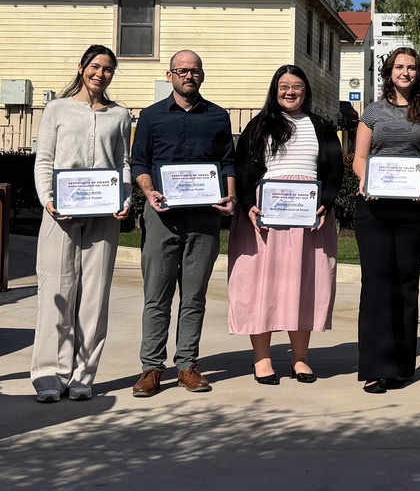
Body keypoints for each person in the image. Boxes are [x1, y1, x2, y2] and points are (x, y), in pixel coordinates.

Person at [130, 50, 237, 397]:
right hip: (162, 215)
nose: (188, 76)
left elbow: (227, 162)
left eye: (193, 71)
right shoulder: (151, 116)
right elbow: (139, 162)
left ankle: (187, 365)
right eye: (181, 70)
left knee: (194, 296)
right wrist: (148, 193)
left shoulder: (218, 116)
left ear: (201, 75)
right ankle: (151, 367)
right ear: (169, 75)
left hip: (204, 217)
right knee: (156, 296)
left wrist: (230, 196)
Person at [30, 45, 132, 403]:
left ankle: (82, 375)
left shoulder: (119, 115)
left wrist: (125, 199)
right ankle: (48, 375)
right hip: (61, 214)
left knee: (94, 297)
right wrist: (48, 199)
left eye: (107, 69)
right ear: (82, 68)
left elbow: (123, 164)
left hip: (104, 217)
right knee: (57, 293)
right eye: (95, 66)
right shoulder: (57, 109)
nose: (100, 74)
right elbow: (44, 159)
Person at [229, 65, 343, 385]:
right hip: (265, 219)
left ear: (306, 91)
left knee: (303, 286)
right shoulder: (258, 126)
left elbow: (334, 171)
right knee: (261, 288)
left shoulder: (321, 126)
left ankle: (300, 358)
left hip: (309, 221)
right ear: (274, 90)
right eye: (283, 86)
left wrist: (327, 203)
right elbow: (243, 170)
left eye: (296, 86)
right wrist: (250, 204)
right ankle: (262, 358)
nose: (290, 92)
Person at [354, 47, 420, 394]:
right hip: (373, 207)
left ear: (418, 73)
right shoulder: (372, 112)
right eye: (399, 67)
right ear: (388, 71)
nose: (405, 72)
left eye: (411, 67)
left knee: (406, 285)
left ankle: (402, 365)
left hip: (413, 208)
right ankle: (377, 368)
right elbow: (361, 157)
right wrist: (365, 180)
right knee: (377, 285)